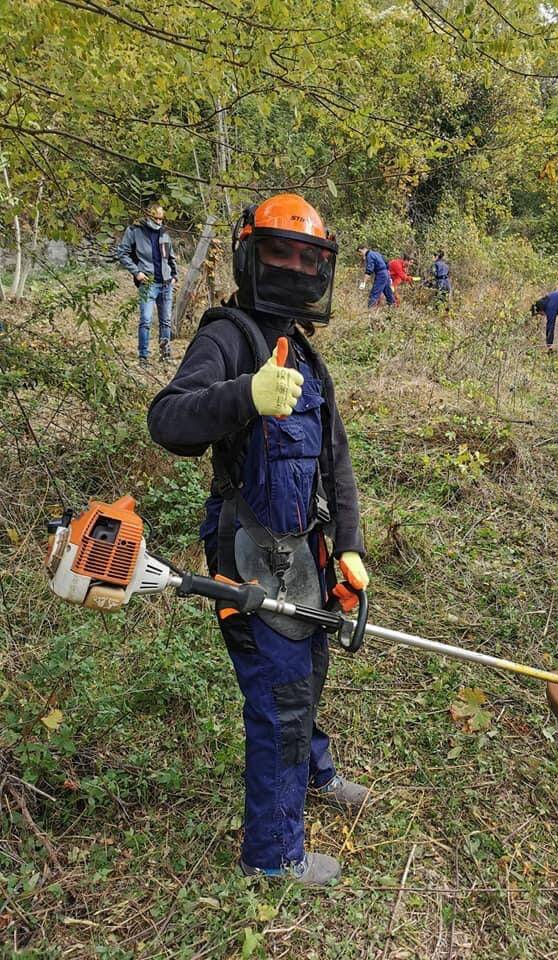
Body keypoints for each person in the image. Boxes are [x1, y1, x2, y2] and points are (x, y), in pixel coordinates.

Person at [147, 194, 370, 887]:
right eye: (281, 252)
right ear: (252, 255)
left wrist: (349, 543)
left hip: (305, 547)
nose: (297, 267)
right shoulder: (228, 335)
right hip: (246, 543)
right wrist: (244, 393)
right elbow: (169, 420)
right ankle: (273, 856)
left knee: (308, 670)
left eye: (309, 256)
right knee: (278, 694)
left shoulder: (306, 351)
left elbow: (335, 459)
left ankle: (314, 775)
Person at [116, 203, 178, 364]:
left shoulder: (164, 233)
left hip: (166, 283)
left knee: (166, 321)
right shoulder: (135, 231)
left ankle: (165, 355)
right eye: (156, 218)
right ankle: (143, 356)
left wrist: (174, 275)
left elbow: (170, 256)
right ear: (148, 216)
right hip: (148, 283)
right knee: (146, 320)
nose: (159, 222)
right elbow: (122, 253)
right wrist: (136, 272)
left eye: (161, 218)